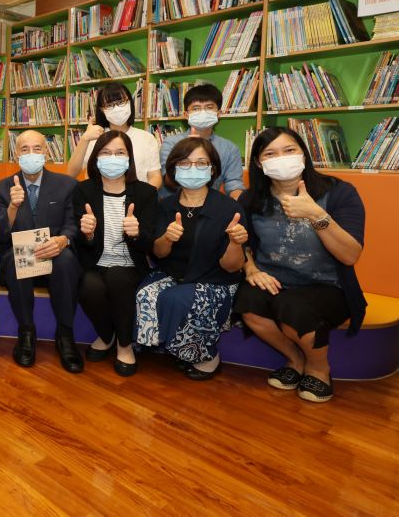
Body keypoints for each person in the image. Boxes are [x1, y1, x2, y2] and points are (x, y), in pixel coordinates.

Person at [234, 127, 365, 402]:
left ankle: (319, 369)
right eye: (270, 154)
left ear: (303, 153)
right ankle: (295, 360)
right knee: (247, 301)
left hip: (328, 286)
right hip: (275, 280)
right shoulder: (252, 199)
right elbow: (242, 241)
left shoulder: (339, 192)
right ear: (258, 162)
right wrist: (251, 268)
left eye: (289, 150)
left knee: (291, 306)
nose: (281, 158)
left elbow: (350, 255)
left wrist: (315, 214)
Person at [135, 137, 248, 380]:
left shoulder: (229, 209)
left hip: (215, 280)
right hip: (174, 275)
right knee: (146, 293)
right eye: (185, 163)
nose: (193, 169)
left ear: (213, 169)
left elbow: (232, 267)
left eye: (201, 163)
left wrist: (235, 243)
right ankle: (175, 348)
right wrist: (167, 238)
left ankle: (207, 356)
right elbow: (159, 253)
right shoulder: (165, 206)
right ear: (174, 168)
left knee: (182, 297)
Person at [0, 130, 83, 372]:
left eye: (37, 148)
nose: (31, 154)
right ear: (16, 155)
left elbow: (72, 224)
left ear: (46, 153)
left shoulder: (67, 185)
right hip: (20, 259)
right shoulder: (2, 187)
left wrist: (62, 240)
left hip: (55, 254)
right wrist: (12, 207)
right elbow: (0, 235)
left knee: (66, 259)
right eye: (25, 149)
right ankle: (26, 332)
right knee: (14, 259)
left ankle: (65, 335)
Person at [73, 131, 158, 376]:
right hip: (95, 262)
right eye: (106, 152)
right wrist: (87, 233)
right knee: (88, 285)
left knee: (118, 277)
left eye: (120, 152)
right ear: (96, 158)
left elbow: (149, 244)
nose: (113, 158)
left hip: (130, 265)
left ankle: (124, 344)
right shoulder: (83, 191)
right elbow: (81, 242)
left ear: (129, 158)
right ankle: (107, 334)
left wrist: (137, 233)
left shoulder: (146, 193)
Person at [66, 83, 162, 188]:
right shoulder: (93, 137)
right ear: (102, 110)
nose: (116, 108)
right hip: (98, 196)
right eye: (109, 105)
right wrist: (85, 139)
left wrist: (144, 195)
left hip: (138, 196)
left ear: (130, 102)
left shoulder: (147, 138)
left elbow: (155, 176)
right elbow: (71, 174)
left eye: (121, 102)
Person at [159, 83, 245, 199]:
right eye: (196, 108)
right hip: (173, 202)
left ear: (218, 114)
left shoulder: (229, 148)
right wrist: (183, 156)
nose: (203, 112)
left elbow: (234, 184)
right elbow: (167, 181)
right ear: (186, 115)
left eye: (209, 107)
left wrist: (240, 203)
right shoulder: (171, 143)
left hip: (210, 204)